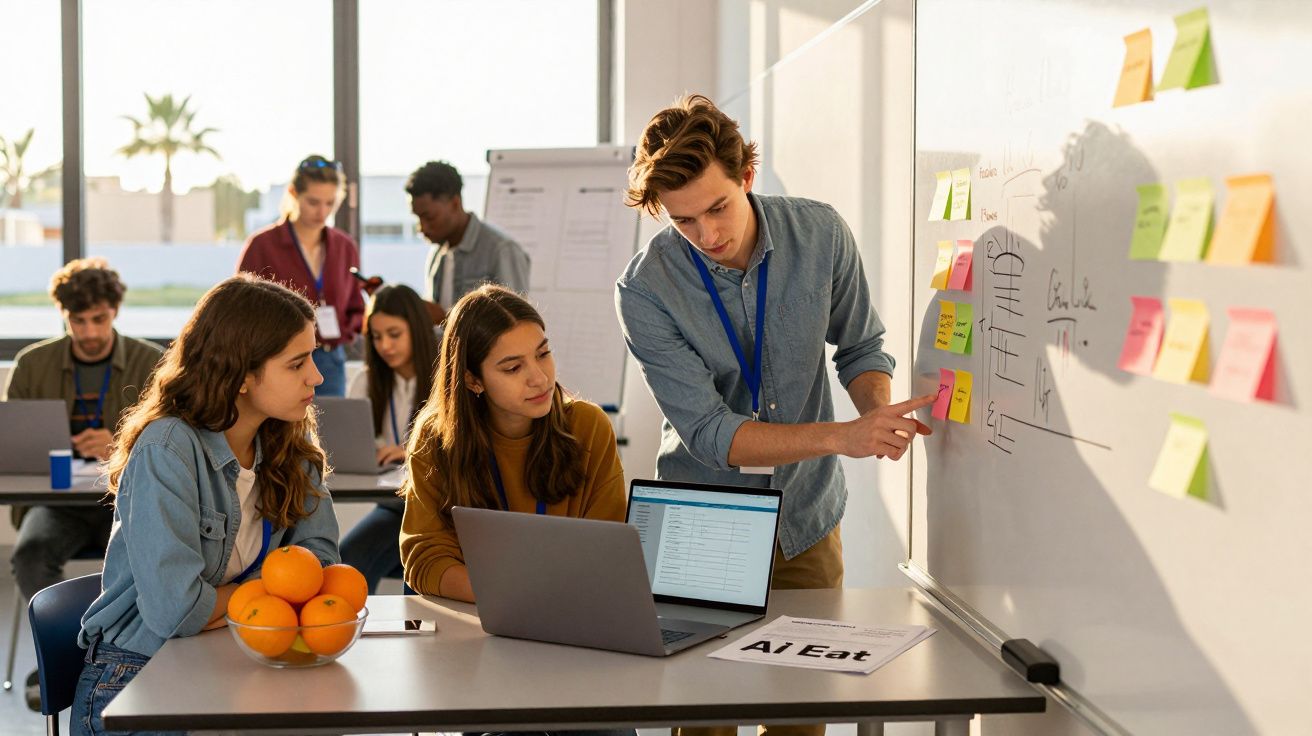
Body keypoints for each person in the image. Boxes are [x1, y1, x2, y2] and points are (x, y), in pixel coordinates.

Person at [614, 94, 936, 736]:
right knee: (703, 716)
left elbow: (861, 346)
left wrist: (878, 412)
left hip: (805, 518)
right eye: (684, 222)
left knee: (800, 715)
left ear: (747, 177)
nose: (708, 236)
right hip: (698, 523)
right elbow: (711, 435)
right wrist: (845, 436)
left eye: (717, 208)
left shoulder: (820, 234)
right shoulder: (645, 289)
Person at [69, 274, 340, 735]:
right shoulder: (167, 449)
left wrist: (239, 602)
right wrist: (276, 591)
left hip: (238, 658)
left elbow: (323, 561)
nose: (316, 376)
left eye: (313, 356)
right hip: (138, 677)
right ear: (241, 376)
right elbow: (175, 611)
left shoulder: (291, 442)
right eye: (297, 364)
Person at [2, 258, 163, 707]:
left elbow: (172, 439)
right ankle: (66, 657)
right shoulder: (33, 364)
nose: (90, 332)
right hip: (59, 506)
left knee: (163, 553)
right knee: (31, 552)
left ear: (116, 311)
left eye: (100, 319)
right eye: (78, 321)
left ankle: (124, 656)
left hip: (127, 500)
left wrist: (117, 444)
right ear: (64, 316)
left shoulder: (152, 361)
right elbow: (14, 445)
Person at [399, 285, 625, 604]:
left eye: (543, 354)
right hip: (478, 622)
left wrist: (534, 598)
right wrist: (515, 596)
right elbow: (424, 559)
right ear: (473, 380)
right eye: (513, 368)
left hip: (571, 612)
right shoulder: (436, 437)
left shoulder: (589, 426)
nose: (540, 378)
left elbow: (608, 551)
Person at [238, 154, 365, 396]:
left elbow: (355, 305)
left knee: (329, 431)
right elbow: (241, 308)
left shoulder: (344, 246)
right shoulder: (262, 245)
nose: (322, 211)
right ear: (293, 193)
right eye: (314, 202)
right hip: (278, 360)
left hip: (330, 359)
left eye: (330, 203)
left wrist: (343, 333)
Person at [340, 284, 439, 593]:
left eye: (394, 334)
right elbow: (357, 446)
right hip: (394, 504)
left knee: (422, 570)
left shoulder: (444, 378)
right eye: (377, 337)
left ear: (417, 330)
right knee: (347, 561)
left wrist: (409, 451)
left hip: (437, 509)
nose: (385, 346)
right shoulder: (367, 380)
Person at [406, 160, 531, 321]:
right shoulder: (436, 254)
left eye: (429, 217)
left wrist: (445, 319)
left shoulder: (501, 250)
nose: (422, 227)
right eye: (417, 218)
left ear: (455, 203)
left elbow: (516, 324)